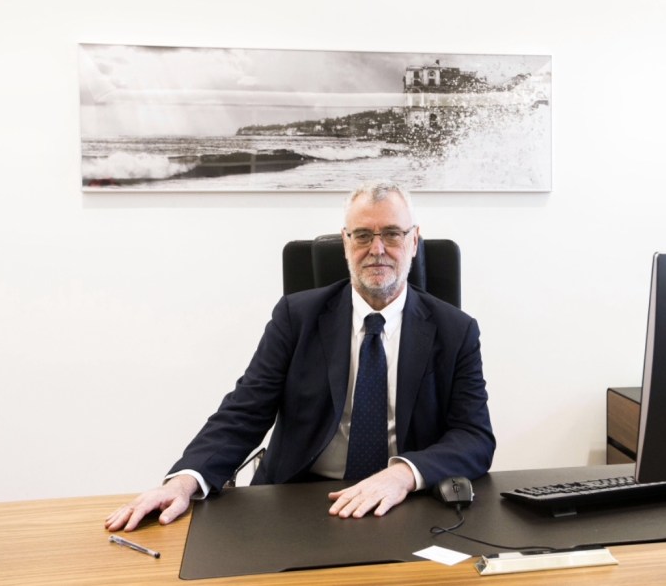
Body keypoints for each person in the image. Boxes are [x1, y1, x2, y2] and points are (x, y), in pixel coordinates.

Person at [106, 182, 495, 532]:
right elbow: (245, 410)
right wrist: (183, 481)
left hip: (404, 502)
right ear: (345, 242)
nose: (377, 249)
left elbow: (473, 436)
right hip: (297, 499)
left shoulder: (455, 330)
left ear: (414, 241)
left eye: (392, 234)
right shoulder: (297, 317)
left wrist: (403, 475)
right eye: (363, 235)